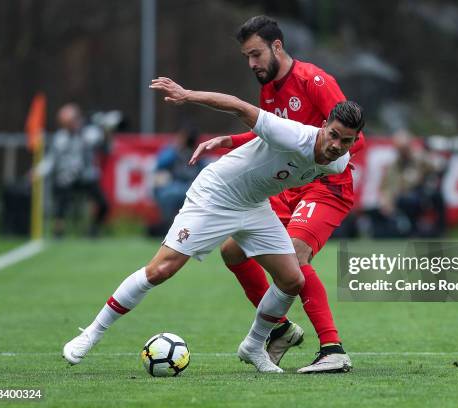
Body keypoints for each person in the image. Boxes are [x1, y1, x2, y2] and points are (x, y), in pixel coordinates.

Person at [62, 76, 364, 374]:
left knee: (292, 280)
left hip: (255, 206)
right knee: (161, 270)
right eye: (333, 135)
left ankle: (253, 346)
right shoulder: (295, 135)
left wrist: (234, 143)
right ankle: (92, 332)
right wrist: (186, 94)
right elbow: (237, 106)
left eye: (346, 140)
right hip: (217, 196)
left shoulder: (338, 162)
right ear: (324, 126)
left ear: (355, 140)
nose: (337, 145)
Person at [190, 15, 364, 373]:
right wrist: (230, 140)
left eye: (256, 55)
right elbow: (272, 135)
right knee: (233, 251)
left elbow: (353, 138)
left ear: (277, 47)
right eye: (247, 58)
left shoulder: (314, 80)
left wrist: (323, 159)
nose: (252, 64)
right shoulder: (269, 88)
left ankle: (333, 349)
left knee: (296, 259)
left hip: (326, 185)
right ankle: (281, 329)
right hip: (289, 185)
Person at [34, 103, 109, 238]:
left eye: (74, 119)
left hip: (86, 177)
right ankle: (58, 229)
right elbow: (51, 160)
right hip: (67, 177)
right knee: (61, 192)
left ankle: (94, 228)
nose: (73, 123)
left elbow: (102, 143)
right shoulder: (60, 139)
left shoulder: (89, 133)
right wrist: (37, 172)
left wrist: (104, 130)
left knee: (103, 203)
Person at [377, 129, 446, 237]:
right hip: (404, 197)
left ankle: (440, 231)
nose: (404, 151)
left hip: (421, 193)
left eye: (405, 148)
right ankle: (412, 231)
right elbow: (387, 187)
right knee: (407, 201)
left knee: (437, 196)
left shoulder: (420, 158)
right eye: (400, 149)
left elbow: (437, 167)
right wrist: (386, 202)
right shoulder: (393, 166)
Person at [152, 124, 203, 226]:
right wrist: (176, 148)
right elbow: (160, 164)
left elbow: (203, 171)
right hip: (174, 185)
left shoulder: (199, 152)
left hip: (191, 187)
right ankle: (168, 225)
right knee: (166, 191)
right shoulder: (173, 151)